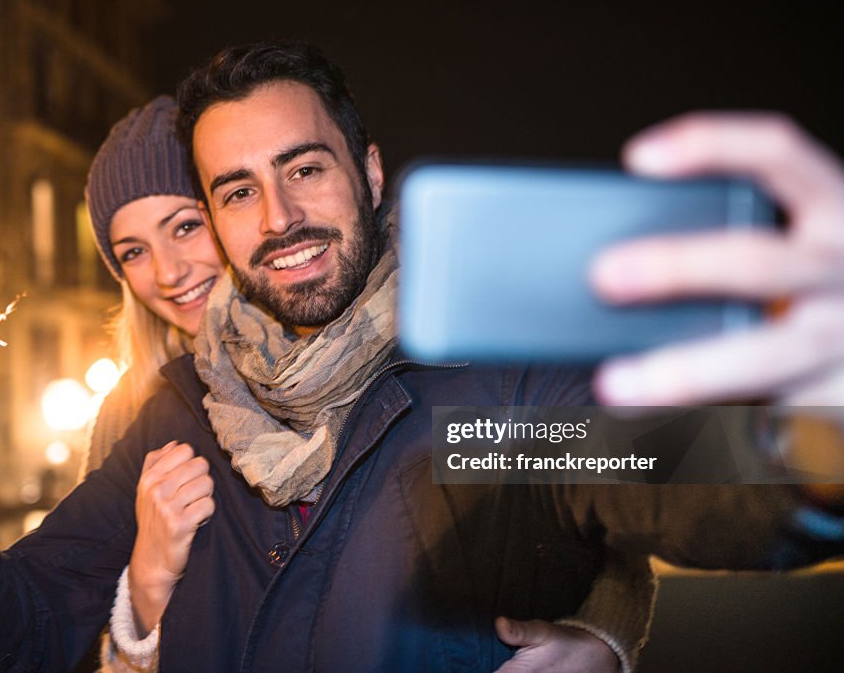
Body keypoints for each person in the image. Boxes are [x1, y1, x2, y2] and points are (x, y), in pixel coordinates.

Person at [0, 42, 844, 671]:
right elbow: (11, 634)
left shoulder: (492, 393)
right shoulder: (174, 411)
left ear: (367, 173)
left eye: (304, 169)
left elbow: (697, 479)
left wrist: (818, 407)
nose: (278, 219)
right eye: (235, 191)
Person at [83, 95, 654, 671]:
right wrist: (148, 591)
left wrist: (600, 637)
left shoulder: (407, 344)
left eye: (185, 226)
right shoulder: (132, 418)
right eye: (133, 251)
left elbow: (606, 511)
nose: (167, 271)